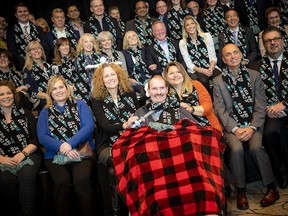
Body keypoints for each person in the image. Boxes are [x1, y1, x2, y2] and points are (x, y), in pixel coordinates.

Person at [213, 43, 279, 210]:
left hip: (252, 124)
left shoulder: (255, 76)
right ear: (223, 60)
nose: (233, 56)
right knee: (236, 150)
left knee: (256, 148)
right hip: (232, 127)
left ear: (242, 55)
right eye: (228, 55)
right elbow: (220, 111)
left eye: (236, 52)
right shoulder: (218, 81)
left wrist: (251, 128)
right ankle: (241, 191)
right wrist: (235, 129)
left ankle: (271, 187)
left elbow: (260, 104)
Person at [37, 75, 96, 216]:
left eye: (61, 87)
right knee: (61, 183)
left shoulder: (80, 104)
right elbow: (42, 136)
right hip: (55, 155)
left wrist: (70, 144)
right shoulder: (45, 111)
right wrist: (62, 147)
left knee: (81, 181)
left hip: (81, 151)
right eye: (54, 89)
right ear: (50, 92)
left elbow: (88, 126)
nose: (58, 91)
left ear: (67, 88)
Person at [91, 63, 139, 216]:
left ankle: (131, 206)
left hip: (131, 139)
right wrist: (125, 124)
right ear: (101, 80)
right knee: (120, 160)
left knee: (116, 169)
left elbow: (138, 117)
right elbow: (105, 126)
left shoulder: (130, 93)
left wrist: (133, 124)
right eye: (106, 76)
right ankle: (119, 210)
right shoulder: (97, 99)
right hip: (107, 144)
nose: (111, 78)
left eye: (113, 74)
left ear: (118, 76)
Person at [0, 80, 42, 216]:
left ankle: (28, 213)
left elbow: (37, 139)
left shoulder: (25, 112)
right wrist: (2, 159)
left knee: (26, 174)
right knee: (6, 180)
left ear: (14, 94)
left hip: (28, 154)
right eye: (1, 94)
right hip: (3, 159)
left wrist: (22, 154)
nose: (6, 96)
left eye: (9, 93)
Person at [259, 26, 288, 189]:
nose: (272, 43)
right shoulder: (257, 66)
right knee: (269, 134)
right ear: (263, 44)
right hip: (271, 111)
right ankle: (280, 173)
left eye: (276, 39)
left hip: (286, 105)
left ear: (282, 41)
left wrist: (284, 104)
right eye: (268, 41)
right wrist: (268, 108)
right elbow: (254, 95)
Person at [163, 61, 222, 132]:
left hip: (208, 127)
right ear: (166, 77)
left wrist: (191, 109)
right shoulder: (165, 93)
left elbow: (208, 108)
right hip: (183, 132)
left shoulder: (196, 84)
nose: (176, 75)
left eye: (178, 72)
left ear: (183, 73)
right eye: (171, 73)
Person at [179, 15, 221, 93]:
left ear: (196, 24)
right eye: (187, 25)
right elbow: (189, 64)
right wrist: (202, 70)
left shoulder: (207, 36)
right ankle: (208, 99)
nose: (190, 26)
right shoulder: (183, 43)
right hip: (195, 70)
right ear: (185, 28)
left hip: (210, 66)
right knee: (203, 79)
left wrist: (211, 68)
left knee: (218, 75)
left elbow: (213, 57)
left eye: (192, 23)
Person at [7, 2, 49, 71]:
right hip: (24, 68)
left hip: (42, 66)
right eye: (20, 12)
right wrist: (26, 66)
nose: (23, 13)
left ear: (28, 13)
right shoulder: (11, 32)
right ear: (16, 15)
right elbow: (13, 52)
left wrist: (40, 62)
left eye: (25, 11)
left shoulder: (38, 29)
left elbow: (45, 48)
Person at [23, 40, 53, 111]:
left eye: (38, 48)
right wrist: (47, 96)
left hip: (55, 96)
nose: (36, 50)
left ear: (42, 51)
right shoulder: (28, 69)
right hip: (42, 102)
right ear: (29, 53)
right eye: (33, 49)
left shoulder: (48, 65)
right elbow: (30, 90)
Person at [75, 33, 102, 105]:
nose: (89, 44)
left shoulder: (101, 57)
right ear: (81, 44)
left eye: (91, 42)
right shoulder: (79, 60)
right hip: (86, 92)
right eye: (86, 42)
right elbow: (80, 79)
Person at [122, 30, 151, 96]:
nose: (132, 38)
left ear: (137, 38)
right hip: (134, 80)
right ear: (126, 41)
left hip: (148, 77)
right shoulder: (123, 53)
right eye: (129, 37)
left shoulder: (144, 50)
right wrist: (128, 79)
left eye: (133, 36)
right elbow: (123, 70)